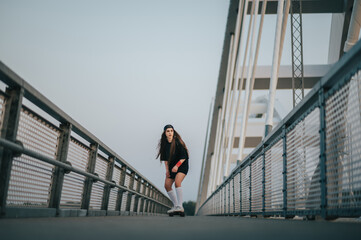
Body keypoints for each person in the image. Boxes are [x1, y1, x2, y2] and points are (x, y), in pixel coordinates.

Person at [157, 124, 189, 214]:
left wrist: (177, 166)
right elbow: (166, 160)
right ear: (165, 133)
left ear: (173, 132)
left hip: (182, 165)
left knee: (177, 182)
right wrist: (167, 171)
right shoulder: (164, 145)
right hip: (171, 167)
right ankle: (175, 206)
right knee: (167, 185)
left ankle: (180, 206)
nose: (170, 133)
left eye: (171, 131)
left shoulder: (178, 142)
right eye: (168, 131)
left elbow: (184, 157)